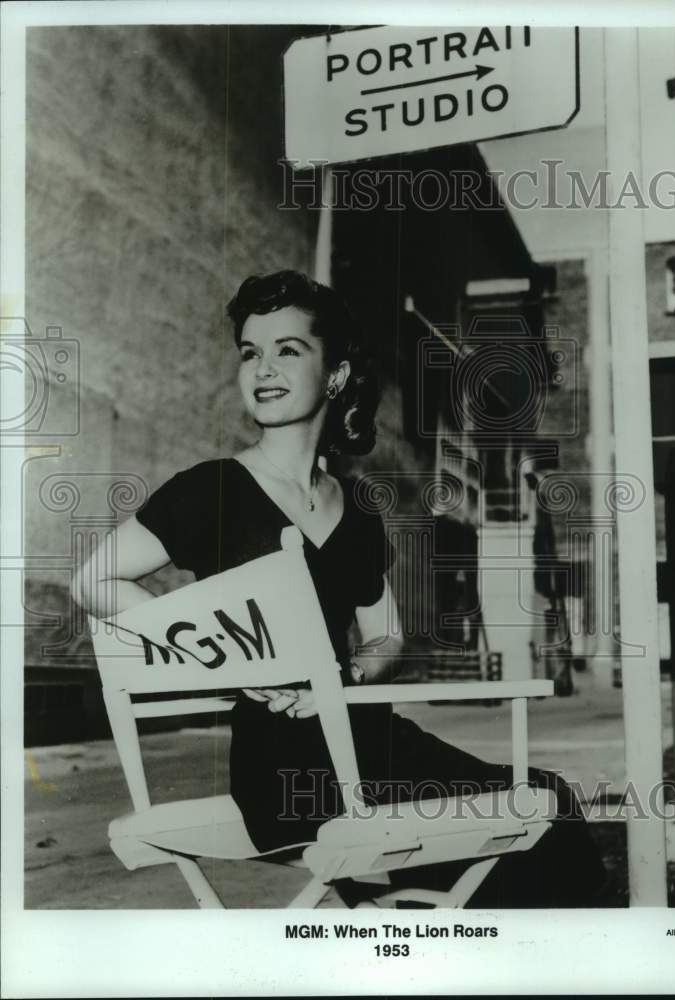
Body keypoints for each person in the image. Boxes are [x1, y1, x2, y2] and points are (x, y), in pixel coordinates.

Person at [72, 269, 605, 908]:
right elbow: (94, 579)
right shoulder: (211, 490)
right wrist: (232, 660)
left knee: (545, 802)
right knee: (523, 821)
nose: (263, 368)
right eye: (250, 352)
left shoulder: (354, 510)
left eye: (287, 350)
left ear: (334, 375)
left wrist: (353, 666)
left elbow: (389, 636)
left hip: (373, 743)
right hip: (288, 770)